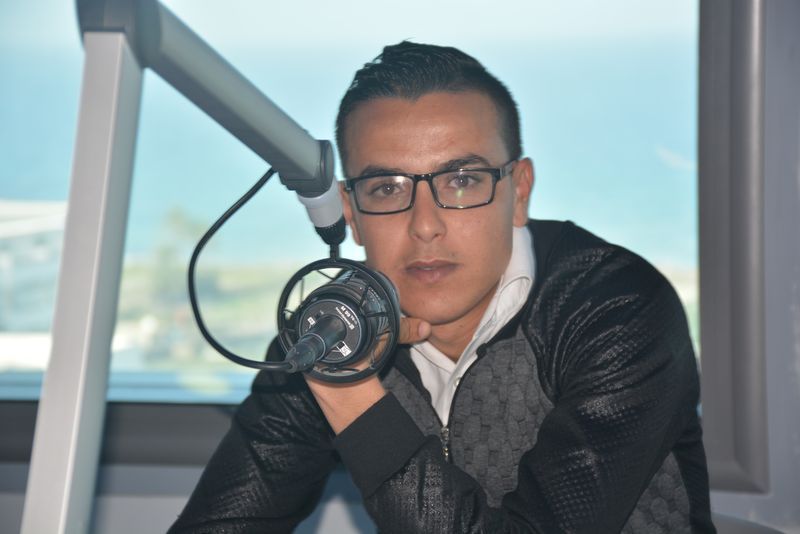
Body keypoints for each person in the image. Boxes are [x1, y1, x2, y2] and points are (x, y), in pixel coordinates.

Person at [169, 41, 715, 533]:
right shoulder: (328, 334)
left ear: (519, 192)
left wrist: (350, 392)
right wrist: (338, 364)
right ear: (350, 213)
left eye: (461, 180)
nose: (425, 225)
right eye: (387, 188)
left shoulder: (615, 311)